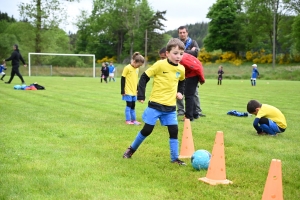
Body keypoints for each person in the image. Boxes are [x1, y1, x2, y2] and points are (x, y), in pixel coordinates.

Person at [122, 38, 186, 165]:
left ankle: (175, 159)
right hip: (155, 105)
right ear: (167, 53)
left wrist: (180, 92)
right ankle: (131, 150)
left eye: (181, 54)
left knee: (174, 131)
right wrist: (141, 95)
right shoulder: (160, 65)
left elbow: (182, 82)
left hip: (170, 107)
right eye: (175, 53)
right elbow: (144, 77)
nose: (178, 56)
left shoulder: (181, 69)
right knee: (147, 130)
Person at [159, 47, 205, 121]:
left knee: (189, 96)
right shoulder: (174, 59)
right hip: (187, 75)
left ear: (168, 54)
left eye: (163, 57)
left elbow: (198, 67)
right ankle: (195, 114)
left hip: (193, 75)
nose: (162, 59)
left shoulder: (182, 59)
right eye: (161, 58)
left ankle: (189, 117)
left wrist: (202, 79)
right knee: (189, 94)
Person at [177, 25, 205, 118]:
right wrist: (189, 51)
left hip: (191, 70)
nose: (182, 34)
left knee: (193, 93)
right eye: (180, 33)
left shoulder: (193, 42)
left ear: (187, 33)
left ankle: (196, 111)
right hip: (181, 71)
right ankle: (181, 110)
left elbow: (195, 53)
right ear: (178, 34)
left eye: (184, 32)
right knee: (180, 91)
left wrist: (183, 52)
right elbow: (189, 54)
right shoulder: (177, 43)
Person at [121, 52, 145, 125]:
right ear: (134, 61)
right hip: (127, 91)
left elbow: (135, 80)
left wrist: (137, 89)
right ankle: (128, 120)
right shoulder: (127, 68)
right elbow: (122, 79)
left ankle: (134, 120)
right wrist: (122, 90)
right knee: (129, 105)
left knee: (133, 106)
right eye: (138, 65)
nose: (138, 67)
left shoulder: (136, 69)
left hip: (134, 91)